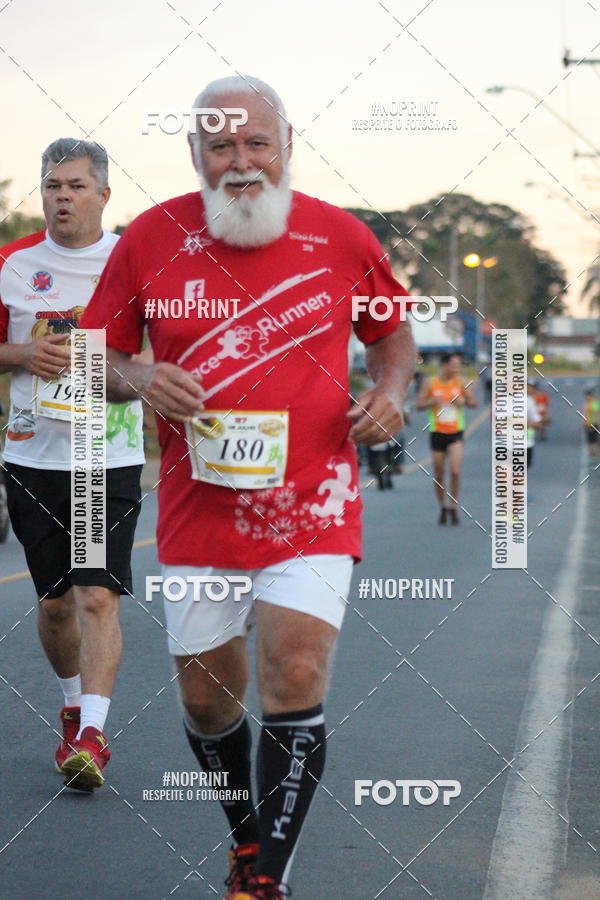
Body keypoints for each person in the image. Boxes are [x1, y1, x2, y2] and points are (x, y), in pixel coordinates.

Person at [81, 75, 416, 900]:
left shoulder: (340, 238)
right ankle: (245, 839)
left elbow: (394, 331)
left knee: (296, 674)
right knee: (205, 702)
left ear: (287, 143)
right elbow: (96, 357)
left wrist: (392, 394)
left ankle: (266, 879)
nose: (240, 162)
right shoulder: (150, 239)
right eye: (221, 146)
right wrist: (141, 377)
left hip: (315, 498)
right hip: (197, 510)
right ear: (195, 152)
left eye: (255, 143)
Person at [0, 139, 145, 792]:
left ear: (104, 195)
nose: (63, 196)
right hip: (32, 453)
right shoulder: (12, 262)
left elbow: (164, 351)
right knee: (56, 606)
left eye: (77, 186)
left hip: (105, 452)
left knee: (96, 594)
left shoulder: (133, 262)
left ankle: (93, 732)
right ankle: (70, 705)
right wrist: (23, 357)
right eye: (53, 185)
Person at [416, 352, 477, 524]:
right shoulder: (430, 382)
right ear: (444, 365)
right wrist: (431, 402)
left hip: (455, 432)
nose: (457, 368)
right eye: (454, 365)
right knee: (439, 473)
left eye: (458, 365)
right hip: (437, 432)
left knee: (455, 471)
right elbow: (419, 405)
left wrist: (463, 402)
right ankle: (442, 505)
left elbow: (474, 403)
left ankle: (453, 505)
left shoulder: (462, 382)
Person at [583, 385, 599, 460]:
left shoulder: (593, 403)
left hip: (592, 424)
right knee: (590, 440)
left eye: (587, 396)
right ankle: (592, 454)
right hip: (588, 424)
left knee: (593, 441)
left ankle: (594, 455)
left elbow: (597, 413)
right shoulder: (588, 403)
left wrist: (594, 425)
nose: (586, 397)